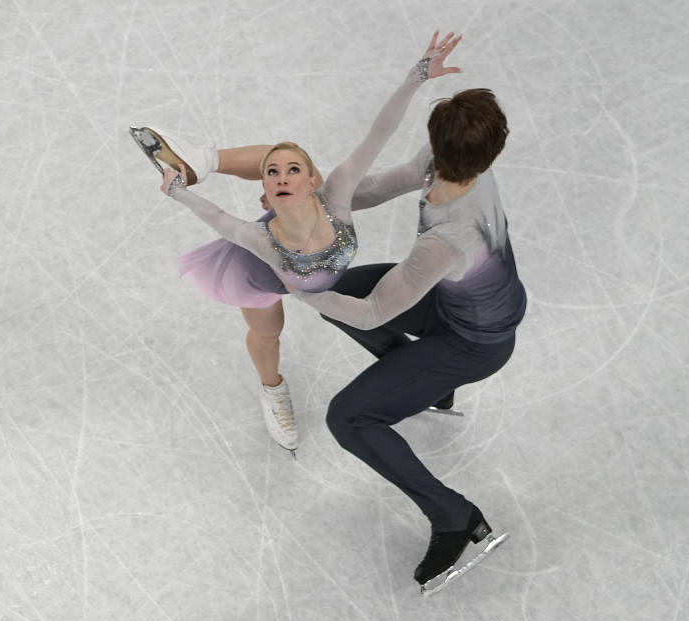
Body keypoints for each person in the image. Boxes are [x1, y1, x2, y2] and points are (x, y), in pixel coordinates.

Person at [129, 31, 463, 458]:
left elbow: (378, 133)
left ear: (313, 181)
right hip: (251, 279)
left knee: (288, 152)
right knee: (269, 333)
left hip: (317, 261)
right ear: (264, 195)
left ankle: (202, 159)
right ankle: (272, 389)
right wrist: (175, 191)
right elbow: (215, 216)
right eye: (272, 174)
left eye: (293, 171)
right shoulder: (258, 240)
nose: (282, 176)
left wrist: (418, 75)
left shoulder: (337, 196)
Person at [290, 84, 528, 589]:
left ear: (439, 145)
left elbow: (375, 312)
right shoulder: (461, 163)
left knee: (348, 417)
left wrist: (298, 284)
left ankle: (456, 517)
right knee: (341, 291)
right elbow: (382, 185)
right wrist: (316, 199)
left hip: (475, 343)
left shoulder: (449, 239)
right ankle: (426, 386)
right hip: (456, 302)